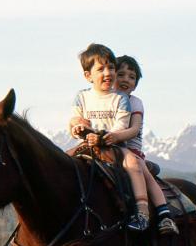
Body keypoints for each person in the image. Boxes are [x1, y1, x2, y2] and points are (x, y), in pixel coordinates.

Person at [68, 44, 177, 234]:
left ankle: (152, 213)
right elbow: (77, 119)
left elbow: (126, 127)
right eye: (120, 74)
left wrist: (107, 137)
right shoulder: (83, 97)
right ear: (88, 76)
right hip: (90, 144)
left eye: (111, 68)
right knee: (64, 162)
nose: (110, 74)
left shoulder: (124, 100)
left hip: (118, 145)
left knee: (137, 166)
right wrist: (78, 128)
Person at [102, 55, 178, 235]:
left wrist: (114, 136)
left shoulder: (135, 102)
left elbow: (134, 129)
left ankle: (163, 214)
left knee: (143, 173)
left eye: (132, 77)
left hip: (129, 149)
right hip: (105, 149)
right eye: (121, 74)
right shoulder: (105, 101)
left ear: (136, 83)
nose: (126, 80)